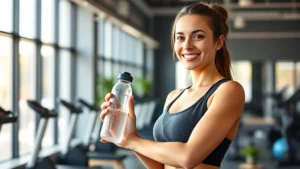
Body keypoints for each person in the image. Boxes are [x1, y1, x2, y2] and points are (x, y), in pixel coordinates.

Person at [100, 2, 245, 169]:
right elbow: (160, 167)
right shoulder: (174, 96)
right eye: (180, 37)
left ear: (218, 42)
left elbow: (187, 157)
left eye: (198, 36)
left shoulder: (228, 91)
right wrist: (128, 137)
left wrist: (133, 141)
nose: (187, 45)